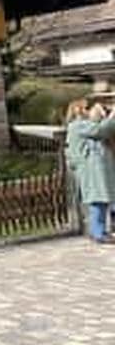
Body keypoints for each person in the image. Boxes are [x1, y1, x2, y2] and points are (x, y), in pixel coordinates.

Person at [65, 99, 115, 243]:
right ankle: (98, 233)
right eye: (88, 108)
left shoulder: (85, 124)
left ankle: (100, 231)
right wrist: (112, 117)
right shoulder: (78, 125)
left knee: (101, 200)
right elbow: (100, 131)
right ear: (79, 110)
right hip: (91, 171)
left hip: (95, 170)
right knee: (97, 200)